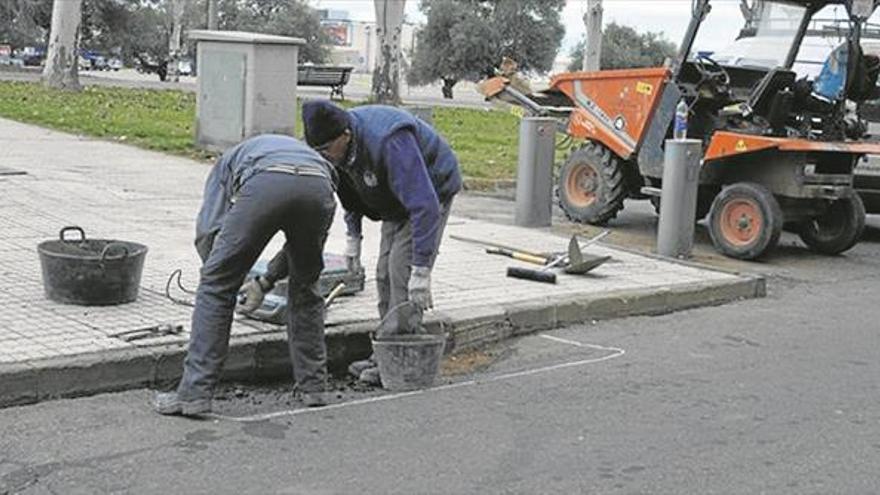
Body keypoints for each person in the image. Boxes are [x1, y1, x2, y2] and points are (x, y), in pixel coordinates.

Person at [247, 101, 462, 385]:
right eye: (317, 151)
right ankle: (386, 352)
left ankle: (402, 355)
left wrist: (422, 270)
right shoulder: (338, 151)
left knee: (401, 270)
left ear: (346, 135)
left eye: (326, 150)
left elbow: (424, 205)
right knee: (383, 273)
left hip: (431, 190)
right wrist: (353, 238)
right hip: (395, 198)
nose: (323, 157)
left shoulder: (389, 141)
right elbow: (351, 194)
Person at [154, 134, 337, 416]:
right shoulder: (315, 160)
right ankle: (314, 388)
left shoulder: (226, 163)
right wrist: (263, 282)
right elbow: (298, 253)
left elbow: (209, 228)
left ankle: (194, 394)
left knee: (215, 287)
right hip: (319, 186)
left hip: (265, 182)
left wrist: (223, 274)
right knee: (306, 286)